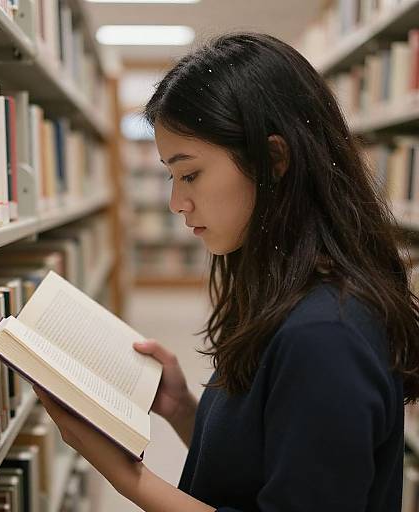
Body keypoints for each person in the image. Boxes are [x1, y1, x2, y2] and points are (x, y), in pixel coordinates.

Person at [34, 33, 419, 511]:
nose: (177, 203)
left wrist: (127, 476)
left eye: (190, 173)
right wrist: (184, 411)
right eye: (171, 177)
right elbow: (272, 463)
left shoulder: (325, 335)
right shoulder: (284, 292)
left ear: (274, 161)